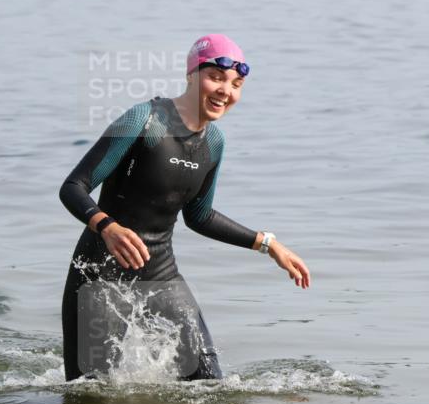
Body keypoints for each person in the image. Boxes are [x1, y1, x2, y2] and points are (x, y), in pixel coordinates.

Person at [58, 34, 311, 382]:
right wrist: (107, 226)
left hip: (161, 274)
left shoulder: (214, 143)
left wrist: (268, 244)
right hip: (99, 276)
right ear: (191, 75)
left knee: (209, 386)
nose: (225, 91)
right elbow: (74, 186)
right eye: (216, 77)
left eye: (236, 84)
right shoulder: (144, 121)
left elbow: (199, 215)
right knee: (93, 396)